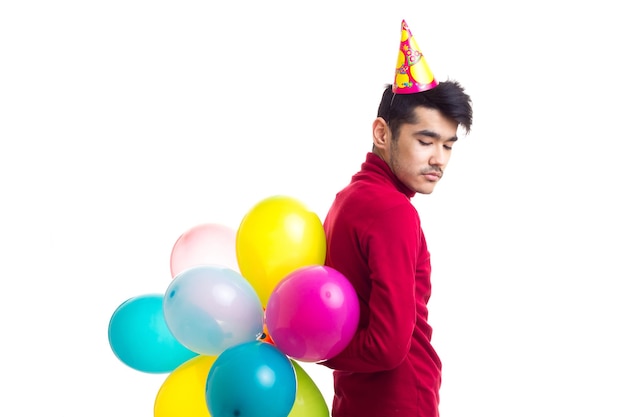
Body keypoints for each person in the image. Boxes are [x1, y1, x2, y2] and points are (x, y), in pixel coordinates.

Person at [319, 20, 473, 417]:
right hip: (401, 401)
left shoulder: (346, 202)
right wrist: (313, 349)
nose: (438, 158)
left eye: (448, 146)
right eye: (425, 141)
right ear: (383, 133)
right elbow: (387, 347)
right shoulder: (392, 211)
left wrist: (313, 345)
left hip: (355, 402)